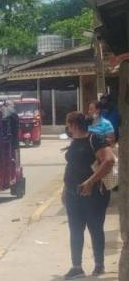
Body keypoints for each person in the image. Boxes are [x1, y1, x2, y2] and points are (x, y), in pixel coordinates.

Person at [62, 112, 115, 280]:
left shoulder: (95, 139)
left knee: (95, 228)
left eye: (68, 125)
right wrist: (65, 189)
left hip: (93, 194)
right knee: (75, 230)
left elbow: (109, 160)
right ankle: (76, 267)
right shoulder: (74, 142)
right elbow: (72, 166)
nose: (67, 128)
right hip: (73, 193)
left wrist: (90, 182)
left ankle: (99, 265)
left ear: (75, 125)